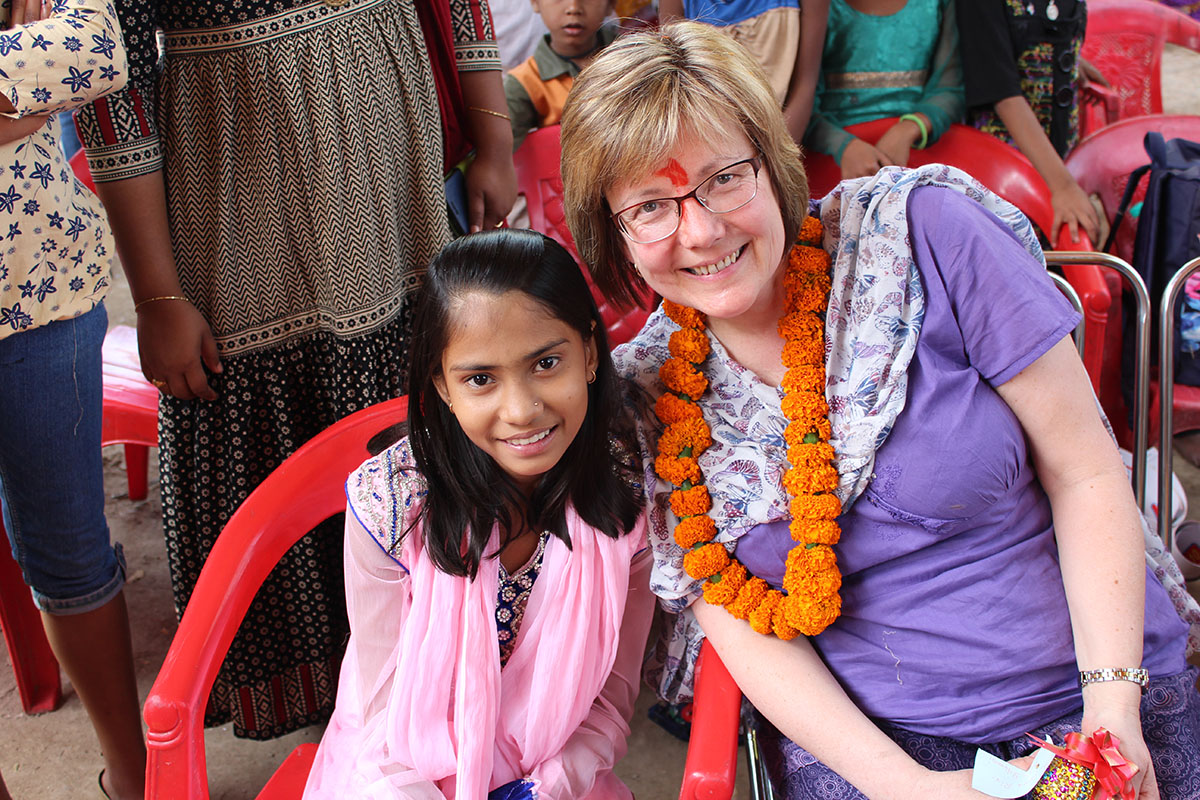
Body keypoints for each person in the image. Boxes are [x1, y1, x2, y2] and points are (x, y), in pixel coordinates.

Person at [561, 21, 1200, 799]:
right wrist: (908, 788)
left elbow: (1086, 470)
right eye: (652, 207)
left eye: (725, 177)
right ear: (614, 235)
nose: (701, 230)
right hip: (880, 750)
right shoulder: (645, 400)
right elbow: (738, 618)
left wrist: (1110, 714)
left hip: (1103, 685)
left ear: (774, 162)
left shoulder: (921, 234)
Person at [74, 0, 516, 740]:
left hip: (390, 169)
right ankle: (343, 726)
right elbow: (111, 89)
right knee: (288, 459)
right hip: (238, 193)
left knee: (421, 419)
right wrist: (156, 294)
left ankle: (451, 680)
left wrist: (493, 135)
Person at [302, 228, 654, 799]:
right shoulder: (391, 506)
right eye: (480, 379)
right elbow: (380, 717)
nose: (520, 410)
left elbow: (608, 704)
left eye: (545, 363)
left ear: (589, 353)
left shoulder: (628, 501)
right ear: (442, 385)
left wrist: (548, 789)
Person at [0, 3, 146, 798]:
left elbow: (93, 48)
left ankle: (134, 775)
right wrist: (19, 80)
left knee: (69, 552)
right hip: (40, 278)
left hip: (40, 290)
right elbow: (48, 65)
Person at [956, 0, 1104, 244]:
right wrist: (1063, 187)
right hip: (1004, 180)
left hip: (1058, 161)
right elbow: (1002, 93)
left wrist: (1072, 63)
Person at [806, 0, 964, 181]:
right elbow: (800, 100)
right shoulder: (816, 5)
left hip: (920, 159)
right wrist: (843, 146)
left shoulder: (938, 4)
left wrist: (909, 129)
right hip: (828, 164)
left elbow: (950, 87)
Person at [658, 0, 829, 145]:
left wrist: (774, 163)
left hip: (782, 139)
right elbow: (677, 87)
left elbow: (805, 85)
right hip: (710, 143)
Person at [504, 0, 617, 148]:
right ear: (535, 3)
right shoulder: (525, 82)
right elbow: (504, 157)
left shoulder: (635, 58)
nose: (573, 8)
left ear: (611, 5)